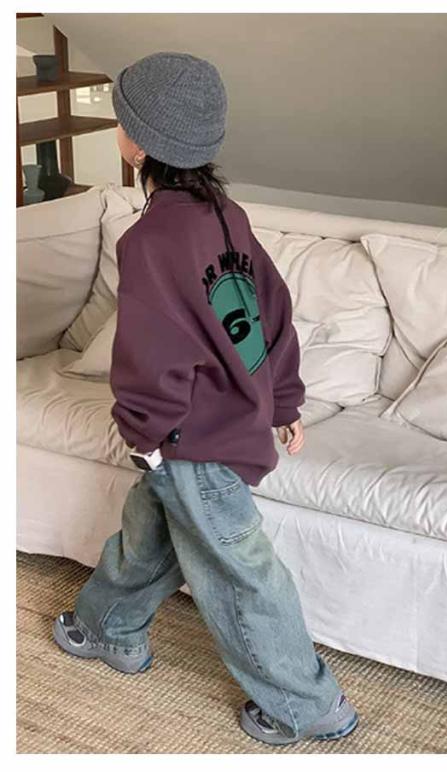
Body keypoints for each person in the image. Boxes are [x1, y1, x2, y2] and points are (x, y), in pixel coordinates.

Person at [51, 51, 358, 747]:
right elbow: (270, 312)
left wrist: (146, 432)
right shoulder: (226, 215)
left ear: (139, 144)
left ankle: (306, 705)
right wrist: (283, 401)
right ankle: (108, 627)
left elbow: (152, 352)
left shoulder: (151, 239)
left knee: (240, 571)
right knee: (149, 532)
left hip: (192, 438)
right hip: (222, 424)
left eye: (121, 120)